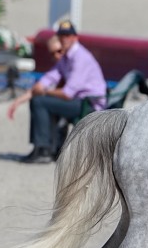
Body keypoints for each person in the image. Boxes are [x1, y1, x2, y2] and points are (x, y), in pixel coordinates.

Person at [11, 21, 107, 163]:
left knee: (40, 101)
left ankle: (43, 149)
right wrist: (22, 99)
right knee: (39, 100)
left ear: (75, 37)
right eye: (61, 36)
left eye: (68, 36)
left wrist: (44, 91)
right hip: (79, 101)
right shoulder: (67, 57)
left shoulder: (80, 58)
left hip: (89, 105)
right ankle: (45, 147)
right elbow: (50, 77)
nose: (64, 39)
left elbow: (67, 94)